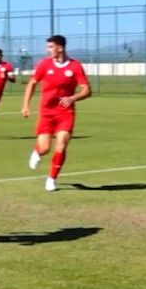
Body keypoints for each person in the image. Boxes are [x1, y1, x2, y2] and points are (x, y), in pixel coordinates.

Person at [20, 35, 92, 192]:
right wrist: (26, 105)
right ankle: (37, 152)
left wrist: (73, 97)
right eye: (48, 47)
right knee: (45, 148)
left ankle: (52, 179)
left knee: (61, 145)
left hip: (65, 113)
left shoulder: (74, 66)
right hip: (46, 112)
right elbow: (32, 83)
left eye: (51, 47)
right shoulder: (44, 64)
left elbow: (87, 90)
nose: (48, 50)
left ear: (60, 48)